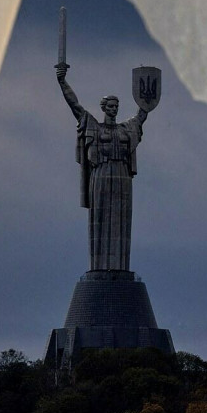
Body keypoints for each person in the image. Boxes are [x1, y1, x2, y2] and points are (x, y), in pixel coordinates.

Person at [56, 63, 148, 271]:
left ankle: (120, 268)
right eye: (111, 107)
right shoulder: (93, 126)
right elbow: (75, 106)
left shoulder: (127, 129)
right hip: (100, 174)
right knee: (100, 217)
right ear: (103, 108)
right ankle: (99, 267)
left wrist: (147, 95)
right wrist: (62, 82)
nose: (114, 110)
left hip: (122, 177)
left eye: (116, 107)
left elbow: (142, 115)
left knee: (121, 220)